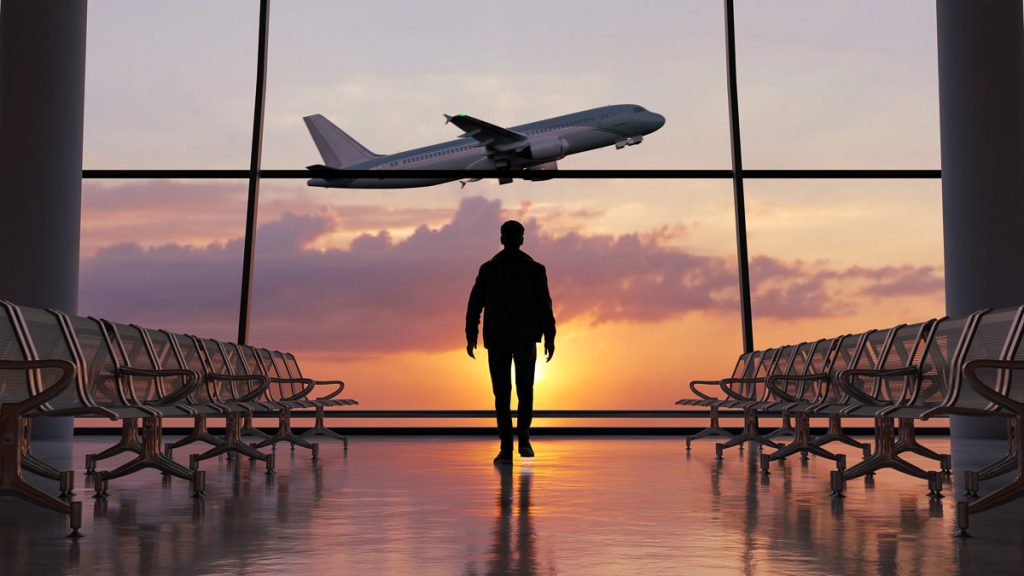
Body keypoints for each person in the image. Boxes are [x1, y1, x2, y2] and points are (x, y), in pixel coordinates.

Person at [466, 220, 556, 464]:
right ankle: (523, 441)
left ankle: (507, 446)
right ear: (522, 239)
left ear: (502, 239)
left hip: (499, 339)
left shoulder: (489, 268)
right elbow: (545, 307)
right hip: (523, 338)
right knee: (524, 392)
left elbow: (475, 305)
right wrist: (550, 336)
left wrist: (471, 335)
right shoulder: (535, 269)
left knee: (502, 394)